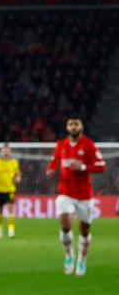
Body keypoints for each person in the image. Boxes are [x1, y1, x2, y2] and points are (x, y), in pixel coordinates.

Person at [46, 117, 105, 275]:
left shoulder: (89, 145)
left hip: (84, 195)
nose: (73, 127)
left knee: (84, 230)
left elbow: (101, 166)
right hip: (65, 193)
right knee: (65, 225)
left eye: (76, 124)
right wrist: (50, 170)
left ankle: (82, 261)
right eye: (70, 124)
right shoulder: (61, 145)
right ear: (67, 127)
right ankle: (69, 256)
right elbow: (54, 161)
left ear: (81, 127)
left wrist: (84, 167)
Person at [0, 143, 21, 238]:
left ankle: (11, 229)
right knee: (0, 210)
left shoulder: (14, 162)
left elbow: (18, 173)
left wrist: (18, 178)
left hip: (10, 189)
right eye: (4, 150)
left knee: (10, 209)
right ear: (1, 152)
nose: (5, 152)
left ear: (10, 151)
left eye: (7, 150)